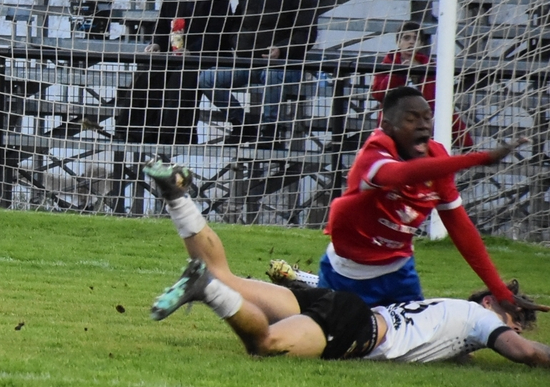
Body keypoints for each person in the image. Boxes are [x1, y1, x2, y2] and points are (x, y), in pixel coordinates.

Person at [142, 159, 550, 366]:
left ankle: (177, 196)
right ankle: (206, 289)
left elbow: (447, 348)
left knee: (224, 275)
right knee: (264, 344)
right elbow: (527, 353)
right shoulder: (480, 320)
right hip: (356, 323)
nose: (514, 328)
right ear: (489, 303)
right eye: (514, 319)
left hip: (339, 302)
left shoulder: (454, 317)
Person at [320, 86, 527, 306]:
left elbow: (461, 228)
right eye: (411, 119)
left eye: (427, 118)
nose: (423, 125)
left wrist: (500, 290)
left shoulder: (437, 159)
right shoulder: (374, 154)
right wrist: (481, 158)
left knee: (418, 329)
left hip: (400, 272)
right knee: (333, 328)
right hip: (346, 274)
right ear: (387, 127)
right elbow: (402, 174)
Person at [198, 0, 317, 146]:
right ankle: (242, 124)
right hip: (247, 62)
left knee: (272, 76)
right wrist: (236, 42)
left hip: (284, 65)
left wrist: (282, 49)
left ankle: (270, 131)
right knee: (207, 78)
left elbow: (307, 34)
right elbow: (236, 22)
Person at [121, 0, 229, 145]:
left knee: (180, 80)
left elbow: (218, 33)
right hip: (173, 55)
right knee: (146, 74)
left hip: (203, 57)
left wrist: (194, 51)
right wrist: (156, 44)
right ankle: (130, 130)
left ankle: (173, 137)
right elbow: (161, 27)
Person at [370, 22, 473, 148]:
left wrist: (466, 143)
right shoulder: (387, 64)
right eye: (406, 38)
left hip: (422, 132)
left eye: (416, 39)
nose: (411, 42)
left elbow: (440, 104)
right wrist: (398, 73)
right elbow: (378, 94)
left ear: (421, 44)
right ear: (398, 42)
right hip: (394, 129)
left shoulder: (430, 68)